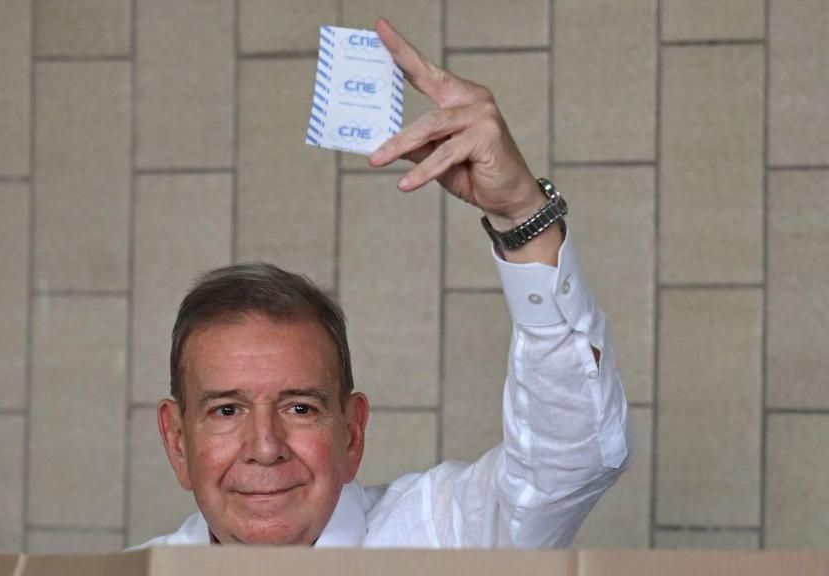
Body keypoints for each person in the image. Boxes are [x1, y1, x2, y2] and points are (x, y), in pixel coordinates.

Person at [128, 18, 631, 549]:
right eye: (226, 410)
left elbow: (571, 461)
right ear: (178, 442)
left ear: (352, 432)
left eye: (301, 407)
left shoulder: (444, 535)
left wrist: (520, 213)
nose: (266, 447)